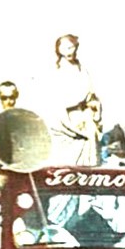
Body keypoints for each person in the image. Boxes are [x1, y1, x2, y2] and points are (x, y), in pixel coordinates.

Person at [46, 34, 101, 166]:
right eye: (65, 48)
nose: (70, 51)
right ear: (59, 50)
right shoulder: (58, 71)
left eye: (71, 47)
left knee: (88, 155)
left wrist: (93, 104)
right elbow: (58, 98)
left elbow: (91, 93)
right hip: (67, 119)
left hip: (86, 118)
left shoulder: (83, 70)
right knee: (68, 160)